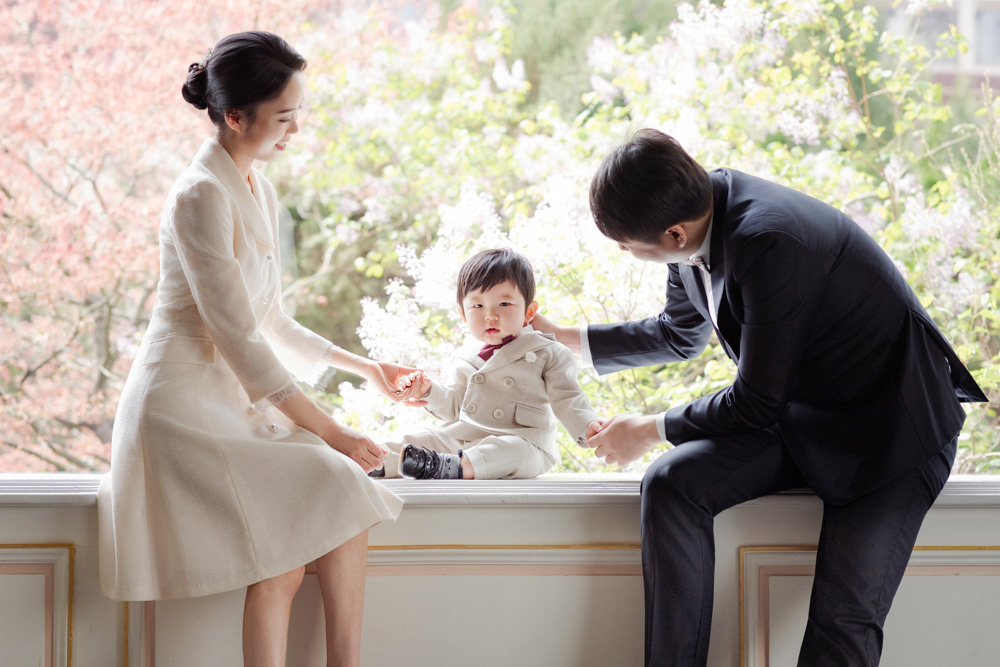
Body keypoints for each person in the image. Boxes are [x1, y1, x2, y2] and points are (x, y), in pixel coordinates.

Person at [533, 128, 987, 666]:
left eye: (627, 245)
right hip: (806, 415)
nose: (625, 252)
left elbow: (755, 402)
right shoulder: (695, 211)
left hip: (891, 432)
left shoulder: (769, 240)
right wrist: (561, 339)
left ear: (674, 234)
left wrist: (649, 429)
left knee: (841, 622)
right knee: (672, 483)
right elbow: (679, 333)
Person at [97, 31, 420, 667]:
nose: (296, 130)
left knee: (334, 499)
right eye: (285, 117)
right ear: (236, 117)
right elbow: (237, 336)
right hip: (181, 407)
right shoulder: (199, 194)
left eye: (299, 114)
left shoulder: (259, 188)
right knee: (302, 526)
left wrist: (365, 368)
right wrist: (332, 430)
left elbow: (268, 316)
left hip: (229, 398)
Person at [373, 248, 603, 479]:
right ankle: (373, 460)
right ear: (463, 315)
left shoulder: (548, 351)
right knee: (424, 439)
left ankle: (448, 467)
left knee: (512, 451)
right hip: (466, 437)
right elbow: (455, 408)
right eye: (478, 306)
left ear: (529, 312)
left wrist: (587, 425)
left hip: (524, 442)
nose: (490, 315)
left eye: (504, 304)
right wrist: (428, 391)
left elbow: (568, 398)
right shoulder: (467, 355)